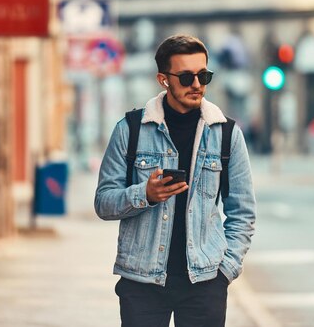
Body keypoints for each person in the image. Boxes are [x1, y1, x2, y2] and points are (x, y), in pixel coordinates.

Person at [95, 34, 256, 327]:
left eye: (203, 75)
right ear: (163, 79)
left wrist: (225, 271)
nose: (197, 85)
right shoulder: (130, 130)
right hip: (142, 282)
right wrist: (144, 194)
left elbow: (242, 212)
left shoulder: (227, 135)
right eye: (185, 77)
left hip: (205, 282)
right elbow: (104, 202)